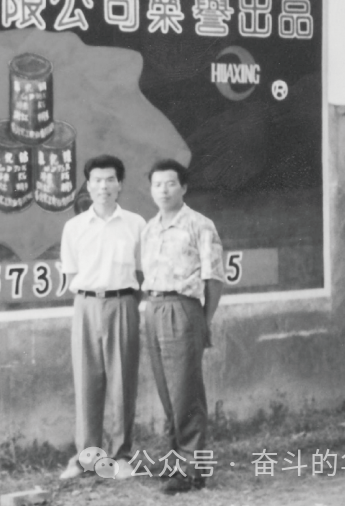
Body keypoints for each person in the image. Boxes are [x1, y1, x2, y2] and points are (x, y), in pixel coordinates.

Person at [58, 155, 146, 480]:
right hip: (85, 305)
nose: (103, 186)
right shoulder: (74, 228)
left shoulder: (136, 224)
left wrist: (127, 302)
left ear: (120, 184)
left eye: (110, 180)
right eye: (97, 180)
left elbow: (143, 271)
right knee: (86, 383)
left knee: (123, 385)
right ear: (88, 185)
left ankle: (122, 456)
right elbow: (72, 272)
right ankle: (87, 457)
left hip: (123, 303)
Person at [140, 159, 225, 494]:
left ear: (184, 187)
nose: (164, 190)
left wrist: (203, 320)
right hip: (153, 307)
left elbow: (213, 277)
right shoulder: (150, 228)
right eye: (157, 184)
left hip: (183, 308)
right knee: (167, 391)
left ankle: (193, 470)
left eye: (171, 183)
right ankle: (176, 461)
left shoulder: (199, 225)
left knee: (185, 392)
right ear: (151, 189)